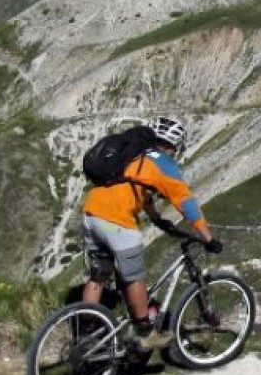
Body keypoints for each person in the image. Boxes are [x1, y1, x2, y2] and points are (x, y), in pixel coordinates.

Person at [81, 115, 222, 351]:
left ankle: (85, 336)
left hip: (91, 214)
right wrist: (208, 238)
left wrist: (156, 218)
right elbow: (186, 203)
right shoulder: (163, 163)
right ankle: (146, 334)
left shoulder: (133, 154)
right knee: (133, 277)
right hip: (117, 222)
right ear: (173, 145)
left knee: (98, 277)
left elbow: (135, 187)